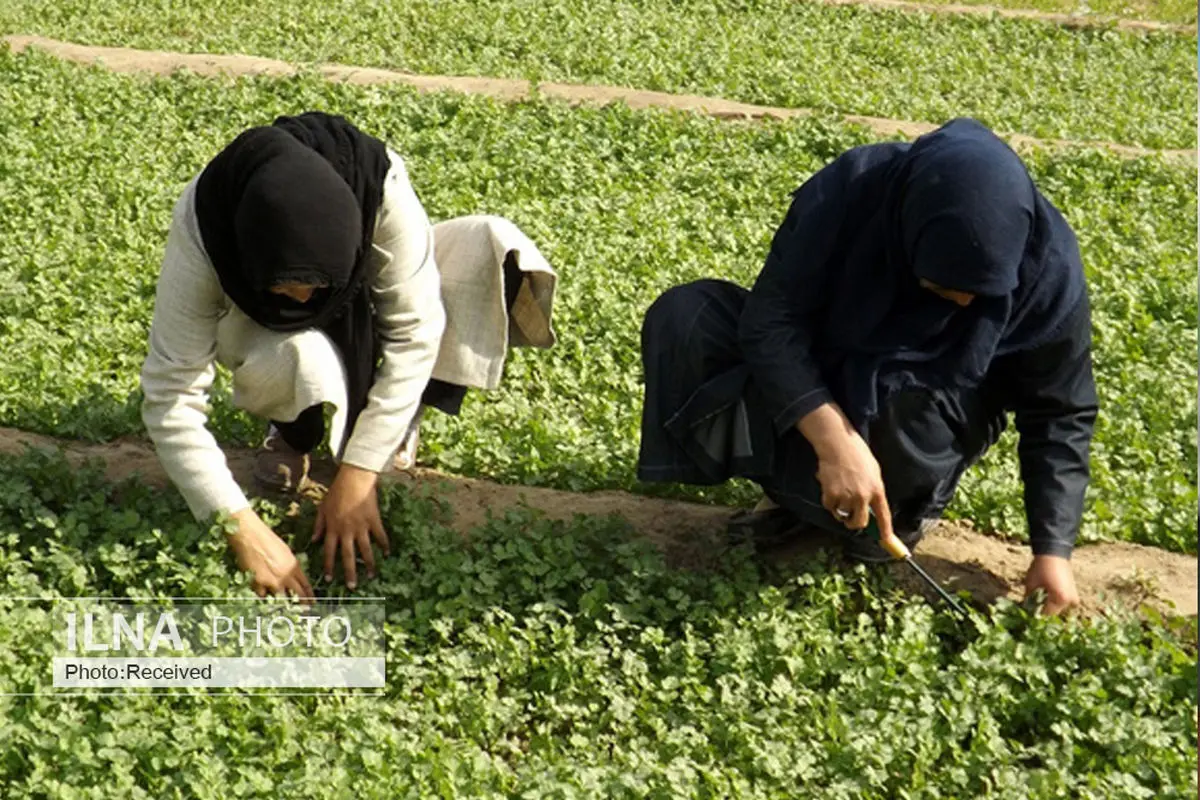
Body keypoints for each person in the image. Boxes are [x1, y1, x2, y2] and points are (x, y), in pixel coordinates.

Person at [637, 118, 1097, 615]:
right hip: (829, 357)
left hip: (929, 405)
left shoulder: (1048, 269)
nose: (964, 302)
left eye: (982, 293)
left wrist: (1053, 552)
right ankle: (796, 501)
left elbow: (1059, 411)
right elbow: (773, 322)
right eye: (940, 286)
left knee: (898, 401)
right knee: (689, 319)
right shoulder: (848, 195)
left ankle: (894, 513)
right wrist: (834, 441)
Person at [141, 112, 557, 598]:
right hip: (259, 328)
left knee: (488, 245)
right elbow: (170, 395)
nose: (304, 301)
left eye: (317, 287)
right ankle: (294, 426)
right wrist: (239, 527)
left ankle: (391, 421)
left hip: (366, 293)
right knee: (295, 352)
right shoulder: (207, 221)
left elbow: (415, 332)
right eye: (287, 286)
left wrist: (360, 474)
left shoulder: (380, 189)